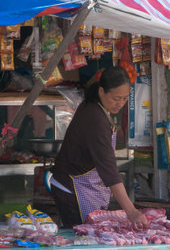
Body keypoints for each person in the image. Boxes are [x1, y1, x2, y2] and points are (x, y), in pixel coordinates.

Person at [50, 66, 148, 229]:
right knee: (84, 241)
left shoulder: (97, 107)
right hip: (74, 189)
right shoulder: (95, 118)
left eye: (124, 99)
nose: (120, 104)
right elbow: (109, 170)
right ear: (101, 91)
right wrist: (131, 211)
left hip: (84, 186)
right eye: (116, 98)